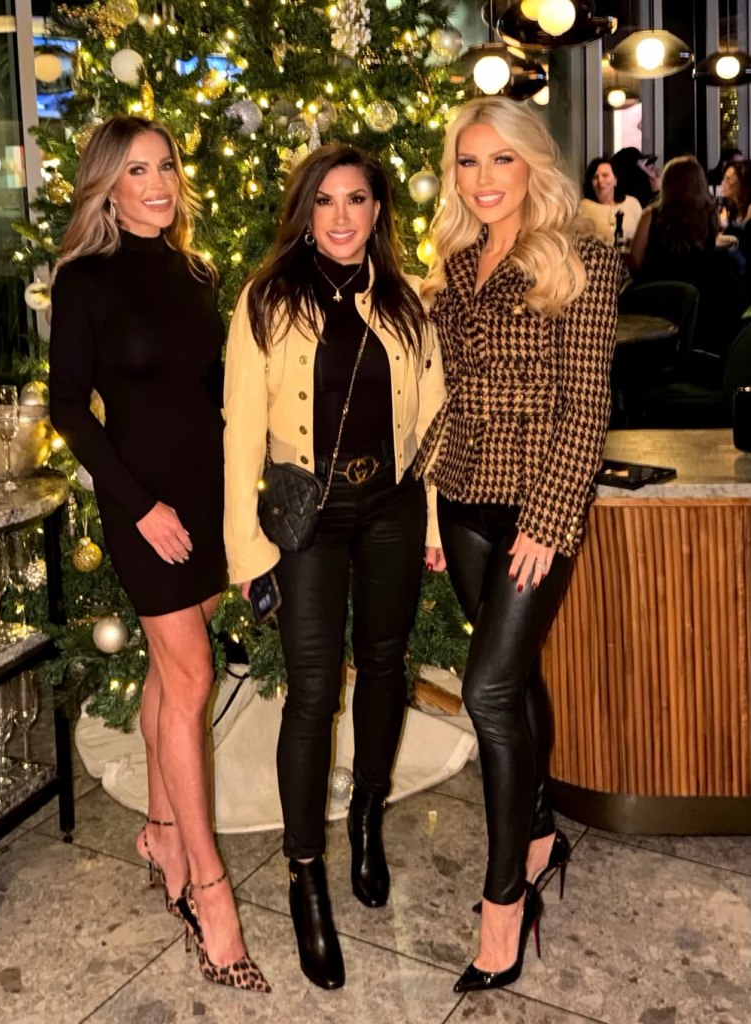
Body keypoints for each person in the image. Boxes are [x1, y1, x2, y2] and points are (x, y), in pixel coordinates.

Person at [48, 115, 269, 993]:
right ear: (106, 185)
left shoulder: (198, 274)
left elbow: (212, 395)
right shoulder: (84, 280)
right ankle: (209, 895)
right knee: (191, 679)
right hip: (145, 509)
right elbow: (70, 409)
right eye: (136, 169)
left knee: (168, 677)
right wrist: (139, 509)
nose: (159, 181)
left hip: (211, 501)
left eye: (166, 165)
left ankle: (160, 831)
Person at [223, 143, 446, 990]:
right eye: (326, 202)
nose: (343, 217)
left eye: (357, 200)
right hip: (306, 518)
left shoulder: (405, 301)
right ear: (304, 213)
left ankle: (364, 819)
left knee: (385, 665)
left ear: (378, 211)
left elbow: (431, 419)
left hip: (389, 509)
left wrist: (426, 517)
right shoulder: (266, 301)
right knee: (314, 691)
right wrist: (247, 550)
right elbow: (239, 432)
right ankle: (304, 870)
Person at [415, 96, 621, 993]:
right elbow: (443, 392)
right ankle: (538, 830)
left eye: (501, 160)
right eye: (467, 162)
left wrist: (548, 518)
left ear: (534, 163)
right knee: (519, 676)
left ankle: (506, 904)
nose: (484, 179)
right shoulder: (455, 260)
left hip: (538, 501)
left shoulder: (582, 254)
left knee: (489, 691)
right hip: (462, 496)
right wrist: (429, 505)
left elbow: (587, 404)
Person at [629, 155, 746, 372]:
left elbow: (635, 262)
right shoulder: (708, 214)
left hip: (657, 295)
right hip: (699, 298)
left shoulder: (652, 215)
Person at [579, 157, 643, 246]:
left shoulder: (632, 203)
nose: (600, 181)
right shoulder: (584, 207)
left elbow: (643, 239)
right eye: (595, 177)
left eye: (605, 175)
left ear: (615, 180)